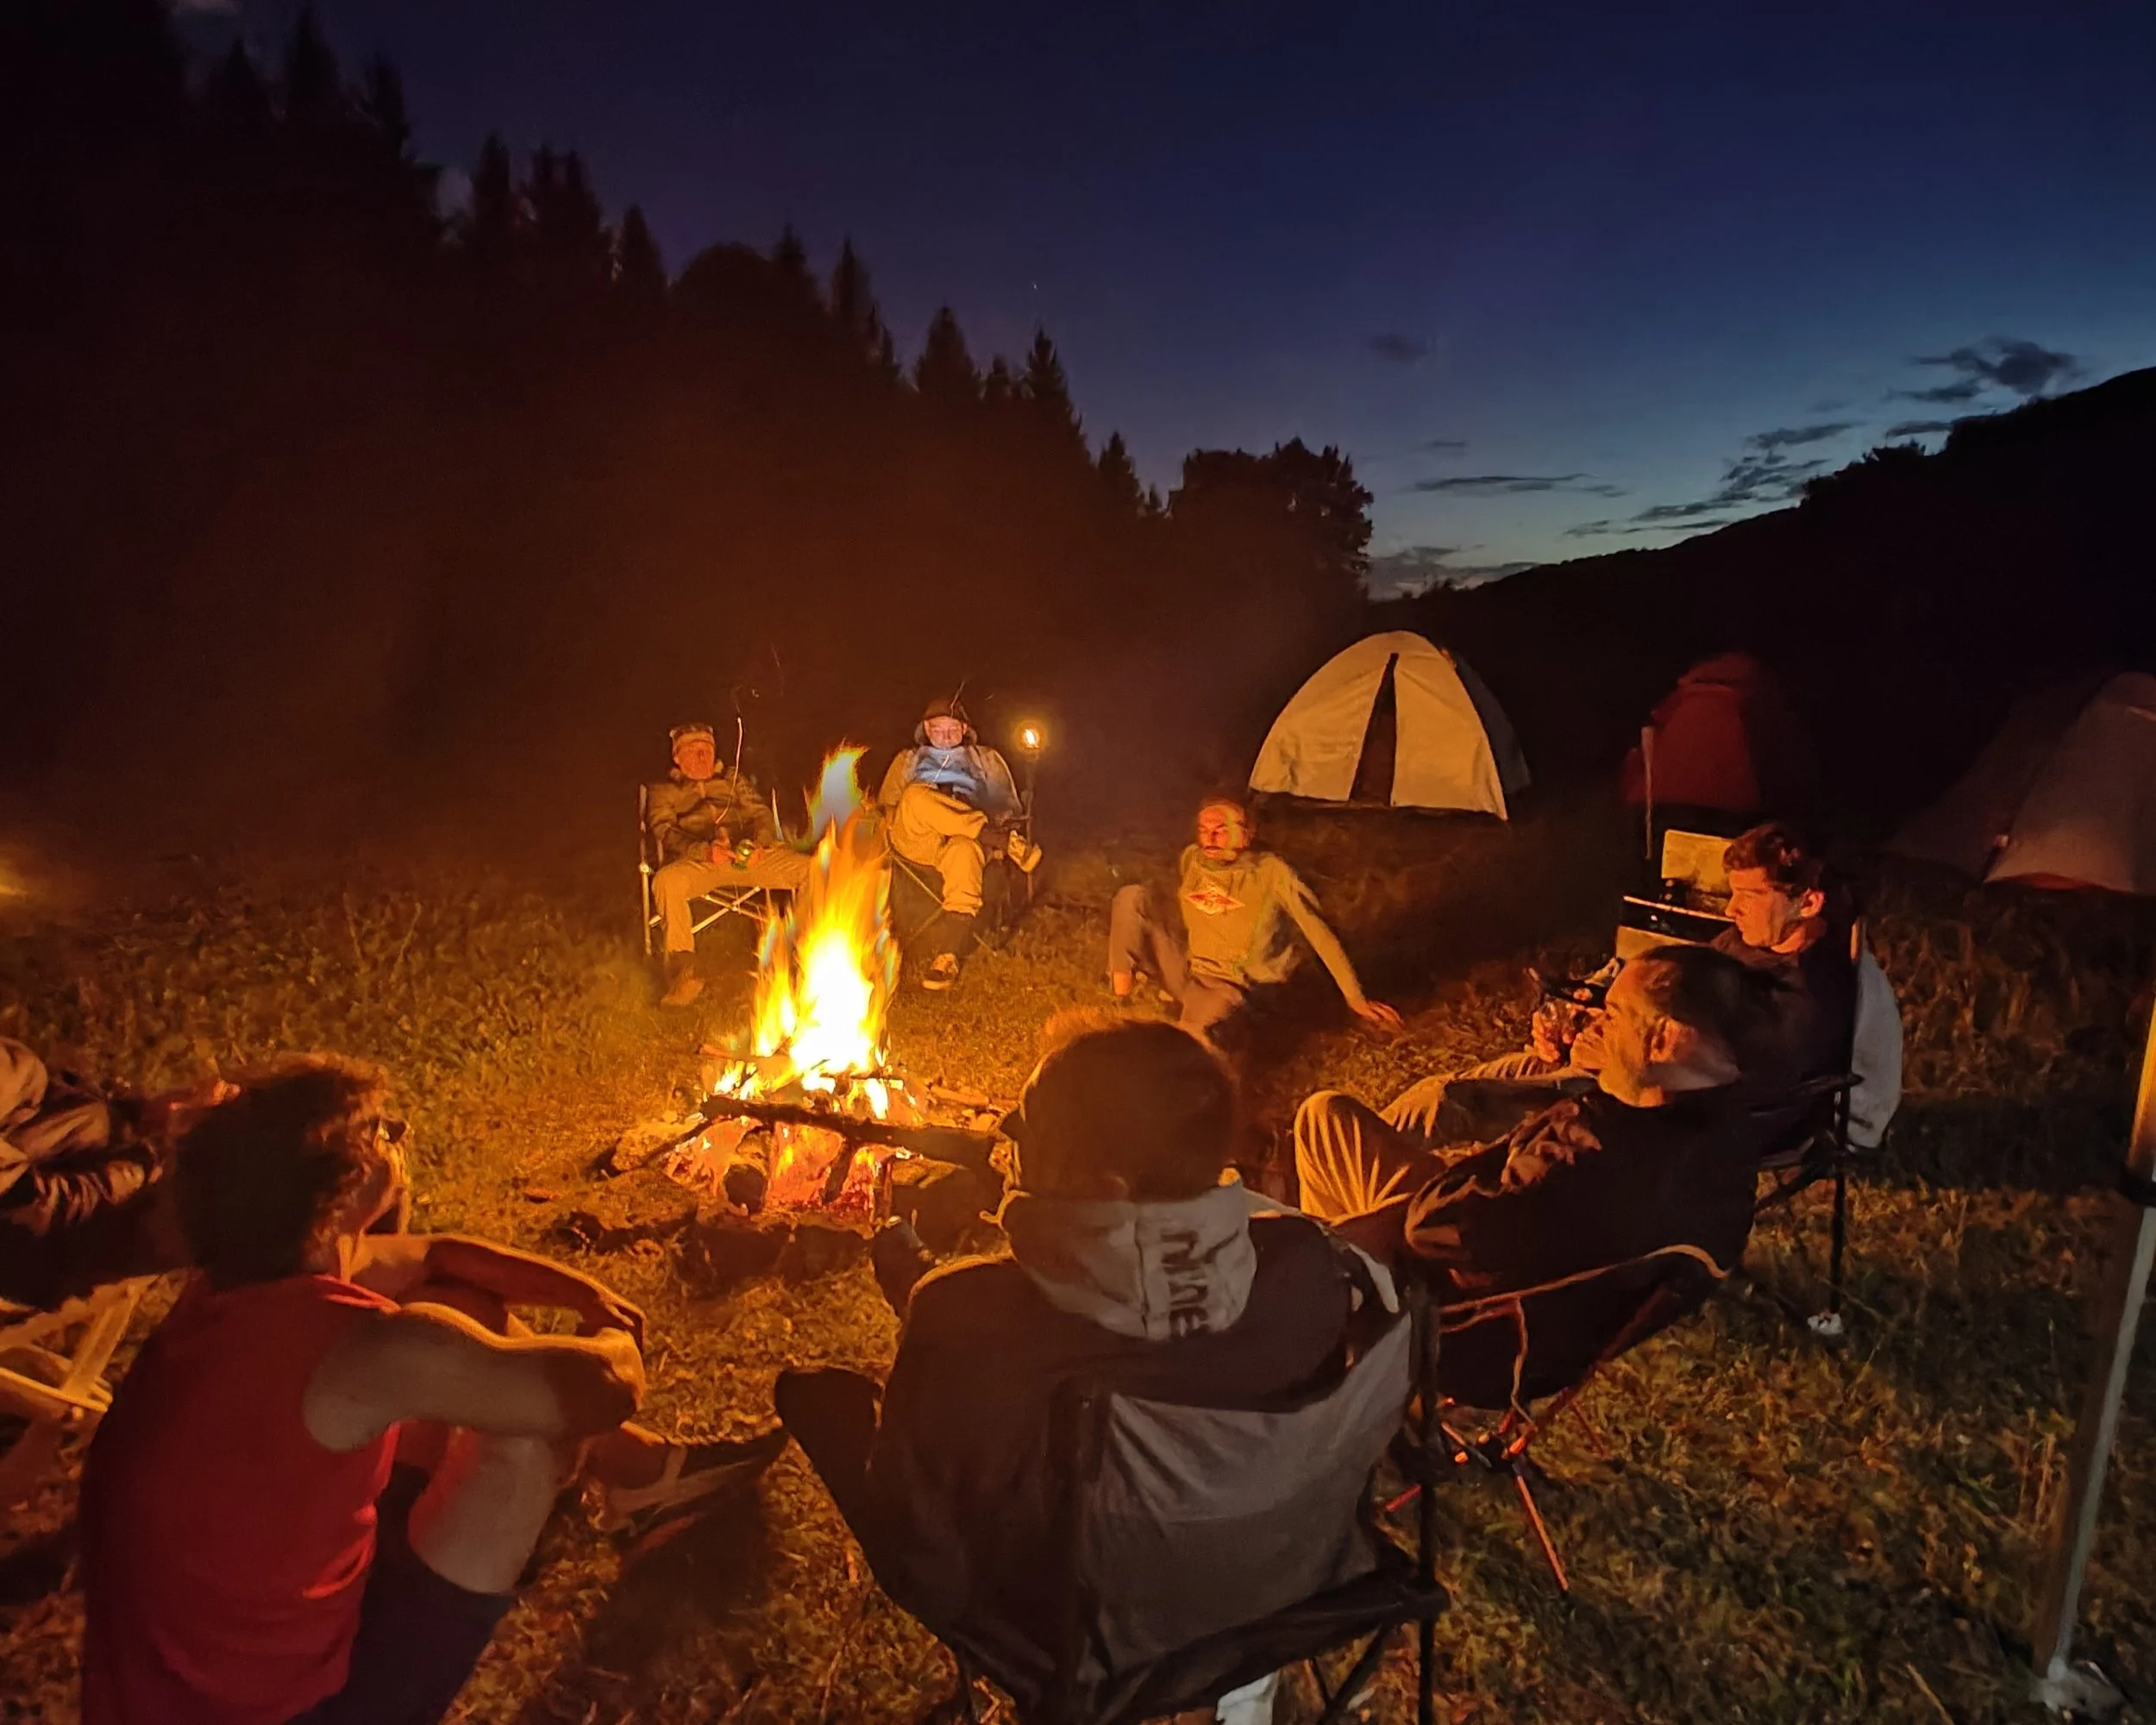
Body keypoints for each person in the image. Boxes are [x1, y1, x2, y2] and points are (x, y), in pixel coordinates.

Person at [80, 1056, 785, 1725]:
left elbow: (433, 1254)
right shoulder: (363, 1349)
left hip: (177, 1685)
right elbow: (598, 1388)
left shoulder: (239, 1282)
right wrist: (614, 1339)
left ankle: (642, 1478)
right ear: (343, 1188)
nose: (401, 1137)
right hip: (294, 1713)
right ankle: (635, 1482)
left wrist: (581, 1289)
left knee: (461, 1301)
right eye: (381, 1133)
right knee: (531, 1438)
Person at [775, 1016, 1380, 1725]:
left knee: (816, 1402)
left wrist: (853, 1418)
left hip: (1075, 1628)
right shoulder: (1305, 1268)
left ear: (1102, 1182)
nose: (1006, 1129)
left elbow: (932, 1573)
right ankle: (1242, 1689)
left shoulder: (967, 1318)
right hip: (1274, 1585)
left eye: (1031, 1124)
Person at [1296, 944, 1769, 1406]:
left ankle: (1326, 1343)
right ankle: (1325, 1292)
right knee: (1330, 1126)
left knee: (1324, 1135)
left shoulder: (1587, 1163)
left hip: (1465, 1333)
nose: (1599, 1025)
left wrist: (1523, 1139)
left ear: (1666, 1040)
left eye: (1616, 1014)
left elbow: (1428, 1224)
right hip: (1555, 1328)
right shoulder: (1728, 1139)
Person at [1106, 794, 1401, 1045]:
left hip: (1234, 985)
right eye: (1203, 829)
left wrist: (1355, 997)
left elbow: (1318, 932)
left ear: (1247, 833)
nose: (1209, 838)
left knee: (1196, 1044)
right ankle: (1119, 997)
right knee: (1132, 897)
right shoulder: (1192, 859)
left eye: (1221, 830)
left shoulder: (1271, 873)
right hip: (1190, 969)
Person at [0, 1038, 230, 1310]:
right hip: (30, 1139)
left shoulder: (149, 1199)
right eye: (186, 1095)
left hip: (20, 1233)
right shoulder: (121, 1133)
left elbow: (39, 1208)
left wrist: (157, 1146)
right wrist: (139, 1114)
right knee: (24, 1068)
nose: (172, 1106)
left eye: (187, 1116)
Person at [877, 697, 1039, 992]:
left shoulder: (985, 759)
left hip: (964, 842)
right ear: (926, 729)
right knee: (915, 796)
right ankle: (1007, 844)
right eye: (939, 729)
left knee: (964, 850)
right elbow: (887, 807)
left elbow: (1008, 805)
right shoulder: (908, 761)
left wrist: (987, 817)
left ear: (965, 729)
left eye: (953, 729)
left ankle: (946, 956)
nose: (946, 735)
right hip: (917, 842)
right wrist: (933, 808)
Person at [648, 721, 812, 1007]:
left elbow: (760, 814)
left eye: (707, 750)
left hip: (748, 857)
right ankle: (683, 976)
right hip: (700, 863)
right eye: (694, 751)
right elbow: (665, 831)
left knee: (813, 870)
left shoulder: (733, 780)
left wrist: (759, 844)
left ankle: (813, 958)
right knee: (666, 881)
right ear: (677, 756)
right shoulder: (664, 790)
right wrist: (703, 851)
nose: (702, 757)